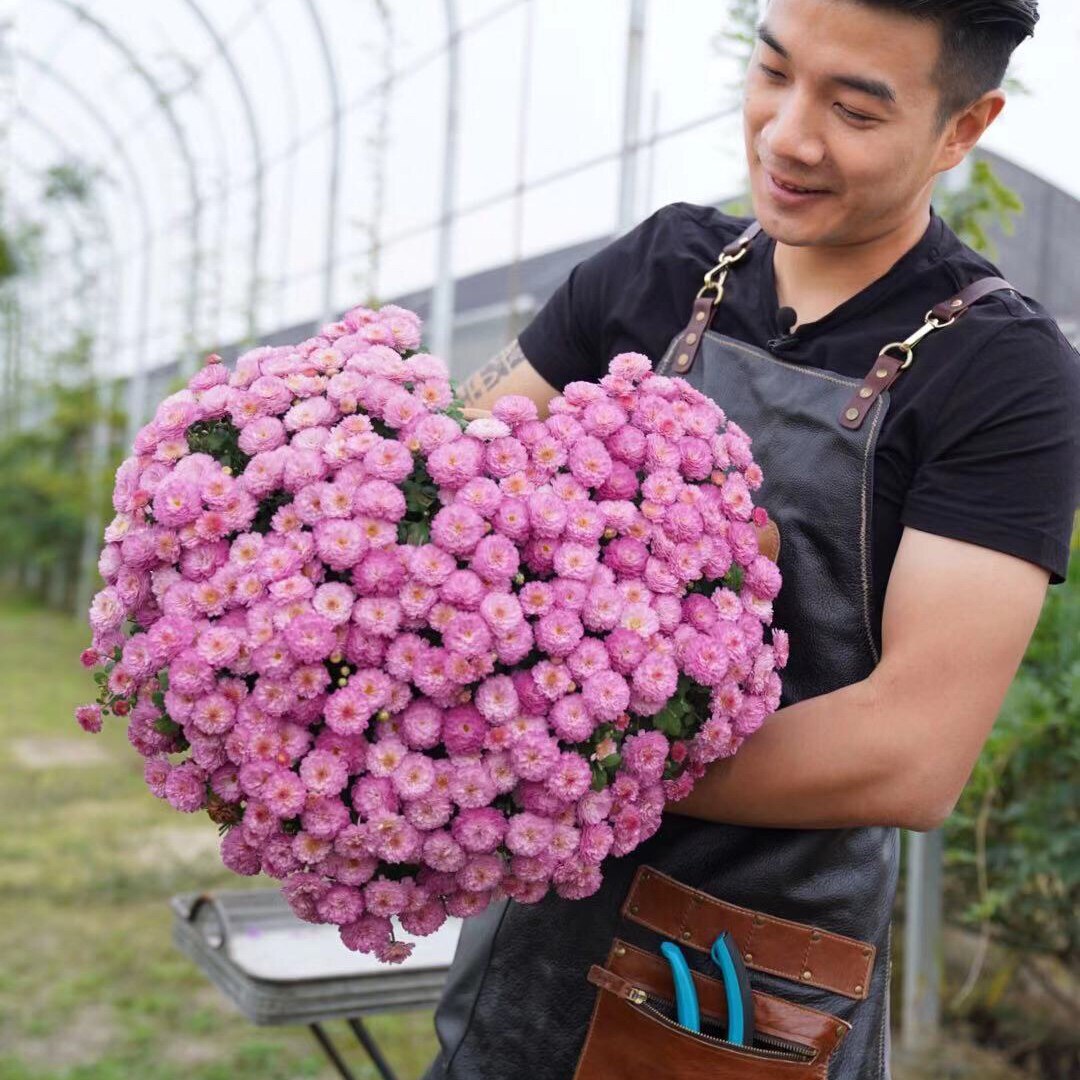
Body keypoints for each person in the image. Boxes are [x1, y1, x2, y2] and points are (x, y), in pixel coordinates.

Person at [424, 1, 1079, 1077]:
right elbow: (455, 469)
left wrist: (538, 767)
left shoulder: (1001, 374)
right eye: (773, 72)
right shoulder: (656, 268)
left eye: (854, 109)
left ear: (962, 130)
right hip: (533, 921)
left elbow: (909, 751)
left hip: (741, 972)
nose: (786, 135)